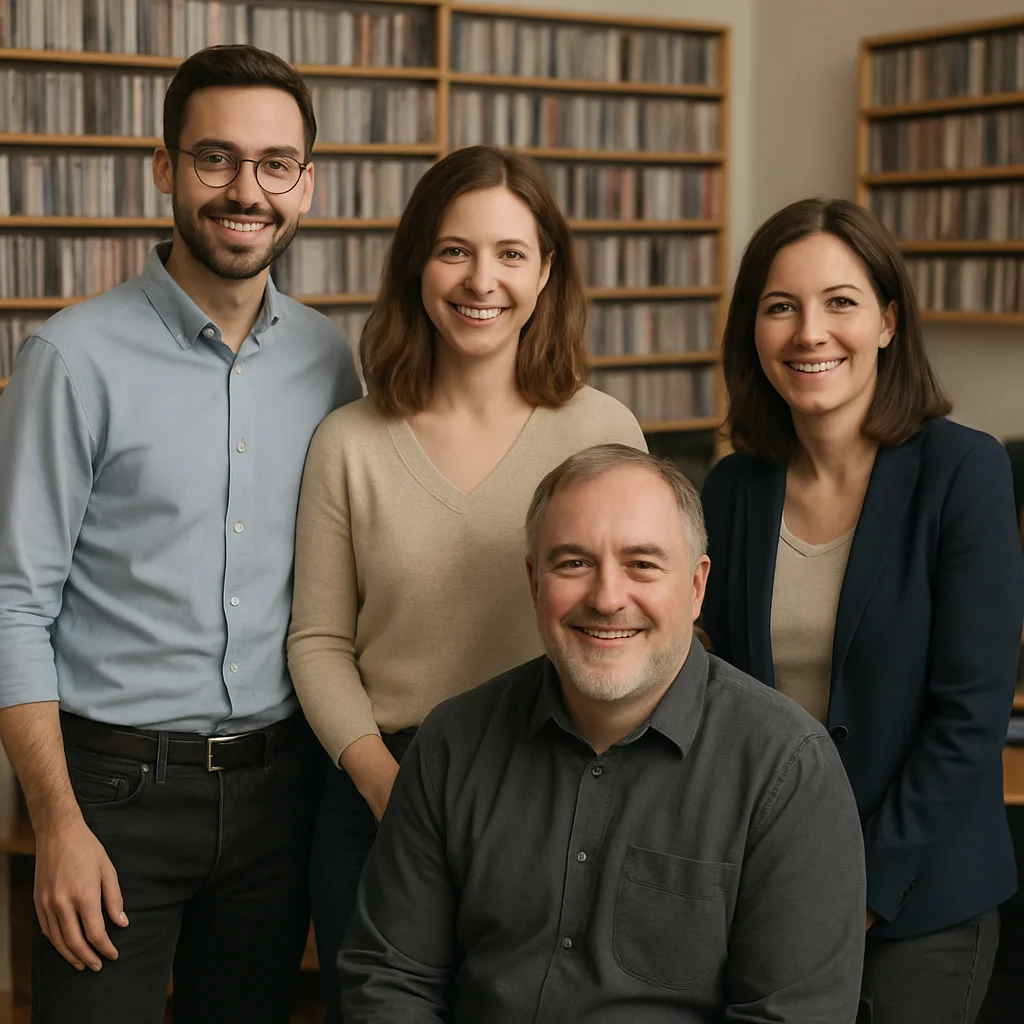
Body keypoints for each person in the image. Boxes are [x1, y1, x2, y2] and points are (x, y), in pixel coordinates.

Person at [0, 45, 362, 1024]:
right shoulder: (69, 359)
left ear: (306, 184)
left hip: (279, 791)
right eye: (215, 158)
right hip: (110, 795)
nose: (246, 191)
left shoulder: (331, 360)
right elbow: (13, 604)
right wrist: (56, 821)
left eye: (274, 164)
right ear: (164, 167)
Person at [286, 145, 647, 1022]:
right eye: (454, 250)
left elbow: (637, 621)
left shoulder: (603, 432)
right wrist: (383, 783)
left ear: (545, 271)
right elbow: (319, 641)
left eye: (510, 253)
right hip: (378, 792)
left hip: (557, 788)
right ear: (417, 263)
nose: (481, 280)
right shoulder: (348, 441)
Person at [337, 443, 867, 1022]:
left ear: (695, 587)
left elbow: (792, 1015)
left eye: (642, 564)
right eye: (574, 563)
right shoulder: (452, 743)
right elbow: (390, 978)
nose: (608, 598)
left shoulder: (787, 772)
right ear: (534, 583)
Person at [700, 197, 1024, 1024]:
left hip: (920, 894)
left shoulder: (965, 472)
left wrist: (859, 890)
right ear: (753, 331)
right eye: (781, 306)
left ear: (886, 322)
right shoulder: (732, 490)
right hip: (768, 878)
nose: (809, 333)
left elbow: (969, 719)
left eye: (839, 302)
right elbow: (725, 699)